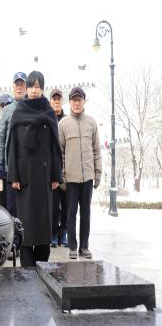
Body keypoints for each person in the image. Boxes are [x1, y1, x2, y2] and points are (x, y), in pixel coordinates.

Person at [7, 71, 62, 267]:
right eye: (31, 86)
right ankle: (27, 269)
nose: (34, 90)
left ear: (42, 88)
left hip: (45, 177)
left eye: (38, 86)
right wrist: (13, 175)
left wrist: (57, 175)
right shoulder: (19, 111)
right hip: (24, 178)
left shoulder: (49, 112)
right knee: (26, 226)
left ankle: (42, 265)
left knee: (43, 225)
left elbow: (55, 147)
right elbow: (12, 145)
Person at [58, 87, 102, 259]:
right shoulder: (63, 124)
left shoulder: (91, 123)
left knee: (86, 213)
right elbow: (60, 152)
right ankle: (72, 246)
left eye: (80, 100)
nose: (77, 103)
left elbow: (97, 150)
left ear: (84, 101)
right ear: (70, 102)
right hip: (71, 178)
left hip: (88, 177)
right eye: (74, 100)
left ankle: (84, 246)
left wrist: (97, 173)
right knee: (70, 213)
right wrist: (61, 176)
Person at [0, 72, 27, 217]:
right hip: (11, 169)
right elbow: (1, 139)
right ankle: (12, 239)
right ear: (13, 86)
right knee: (11, 208)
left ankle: (28, 239)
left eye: (22, 85)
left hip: (28, 168)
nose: (19, 88)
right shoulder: (7, 110)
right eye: (17, 85)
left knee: (27, 208)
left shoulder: (31, 107)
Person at [49, 89, 68, 248]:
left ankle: (64, 233)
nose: (56, 101)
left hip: (67, 168)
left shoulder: (67, 120)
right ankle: (53, 234)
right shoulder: (47, 118)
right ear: (50, 101)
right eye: (53, 99)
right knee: (54, 206)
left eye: (58, 99)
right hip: (52, 169)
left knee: (67, 204)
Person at [0, 93, 13, 208]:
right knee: (3, 204)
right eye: (3, 105)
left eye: (8, 104)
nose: (6, 107)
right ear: (0, 107)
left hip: (12, 169)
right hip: (1, 170)